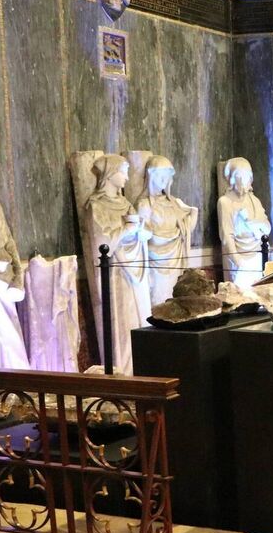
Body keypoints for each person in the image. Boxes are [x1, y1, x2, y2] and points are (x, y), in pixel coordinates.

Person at [84, 154, 151, 375]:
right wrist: (125, 230)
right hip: (115, 275)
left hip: (135, 271)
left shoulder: (126, 204)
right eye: (123, 172)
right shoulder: (96, 206)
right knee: (122, 323)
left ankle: (142, 369)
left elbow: (140, 234)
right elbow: (101, 245)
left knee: (139, 319)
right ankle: (124, 372)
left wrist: (141, 232)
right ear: (110, 174)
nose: (127, 177)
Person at [0, 150, 30, 370]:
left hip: (4, 275)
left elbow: (9, 240)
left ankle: (15, 377)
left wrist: (18, 275)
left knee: (11, 333)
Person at [137, 155, 199, 305]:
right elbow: (142, 236)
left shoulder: (174, 203)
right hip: (156, 263)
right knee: (159, 301)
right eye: (161, 175)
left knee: (176, 301)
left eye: (167, 176)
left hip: (175, 259)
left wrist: (194, 212)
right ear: (152, 175)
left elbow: (186, 230)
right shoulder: (144, 205)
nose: (165, 180)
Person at [218, 157, 273, 289]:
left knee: (258, 292)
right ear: (231, 179)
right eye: (240, 176)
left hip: (258, 254)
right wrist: (237, 260)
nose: (244, 180)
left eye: (247, 176)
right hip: (239, 258)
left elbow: (267, 228)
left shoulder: (254, 201)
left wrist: (252, 222)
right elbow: (227, 237)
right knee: (240, 294)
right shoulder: (225, 202)